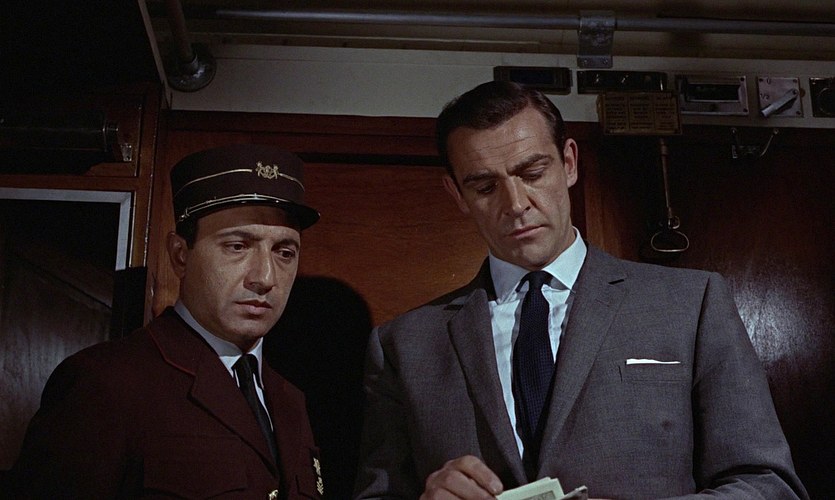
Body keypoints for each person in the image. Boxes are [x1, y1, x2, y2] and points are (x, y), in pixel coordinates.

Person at [353, 81, 808, 499]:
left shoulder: (692, 304)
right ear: (457, 195)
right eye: (486, 187)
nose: (516, 204)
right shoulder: (403, 346)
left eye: (533, 173)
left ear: (569, 163)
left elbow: (770, 487)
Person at [10, 144, 325, 499]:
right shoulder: (107, 384)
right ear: (180, 255)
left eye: (284, 252)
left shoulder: (289, 400)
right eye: (237, 246)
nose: (265, 277)